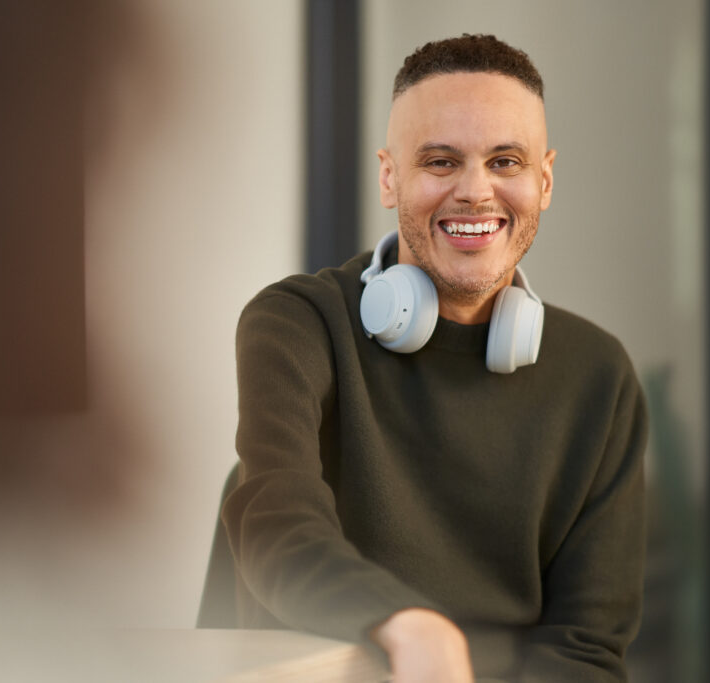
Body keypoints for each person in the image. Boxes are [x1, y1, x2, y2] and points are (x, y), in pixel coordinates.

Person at [222, 35, 647, 682]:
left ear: (544, 179)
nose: (475, 192)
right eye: (441, 162)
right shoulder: (298, 323)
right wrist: (412, 625)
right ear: (389, 177)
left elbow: (584, 652)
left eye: (505, 161)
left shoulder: (598, 376)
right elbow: (276, 528)